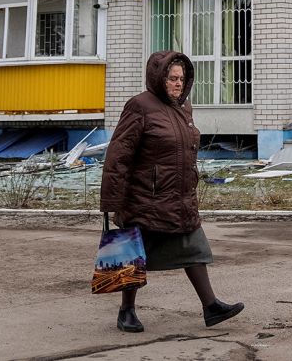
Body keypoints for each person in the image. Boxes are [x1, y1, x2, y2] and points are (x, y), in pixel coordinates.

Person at [101, 50, 244, 333]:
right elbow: (118, 156)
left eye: (181, 78)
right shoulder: (139, 106)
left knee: (193, 247)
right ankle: (126, 311)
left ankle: (210, 306)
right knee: (132, 254)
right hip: (145, 197)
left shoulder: (183, 107)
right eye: (171, 78)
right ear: (158, 77)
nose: (178, 83)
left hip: (179, 196)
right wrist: (112, 201)